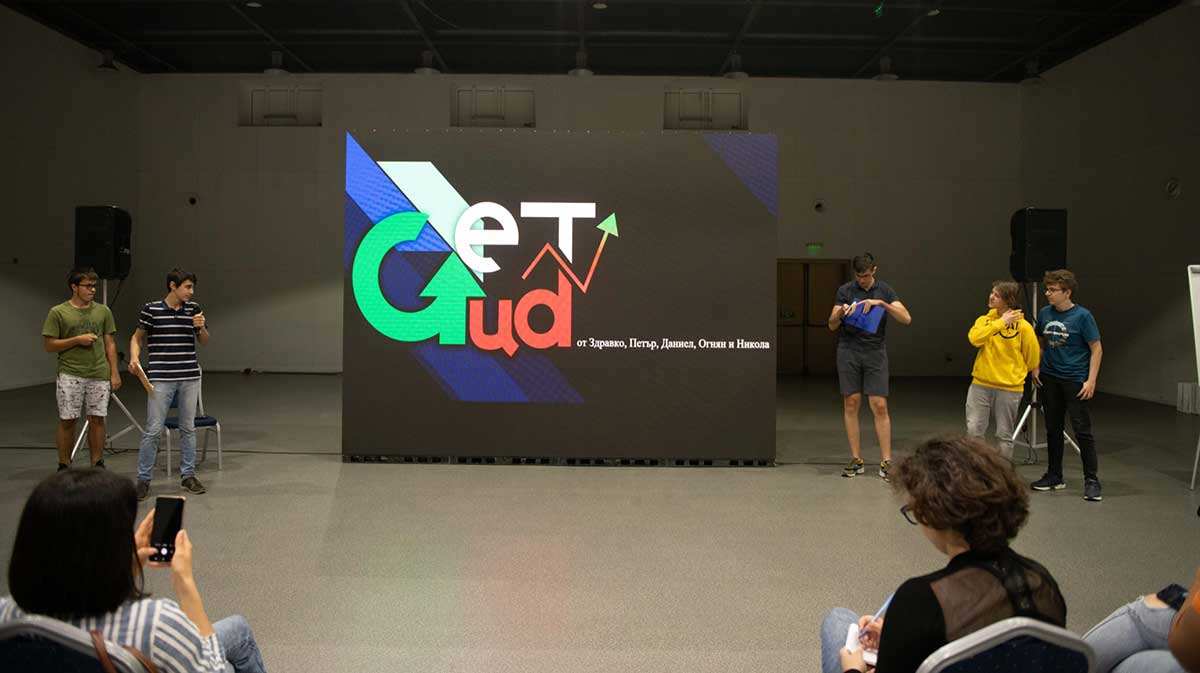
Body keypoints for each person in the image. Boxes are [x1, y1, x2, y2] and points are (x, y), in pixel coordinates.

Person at [819, 436, 1066, 673]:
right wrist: (897, 637)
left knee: (838, 621)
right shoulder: (1043, 583)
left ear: (934, 515)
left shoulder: (920, 599)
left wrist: (854, 668)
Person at [0, 469, 266, 673]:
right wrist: (185, 583)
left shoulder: (6, 615)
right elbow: (211, 668)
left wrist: (124, 568)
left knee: (236, 628)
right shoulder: (156, 624)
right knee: (238, 634)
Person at [827, 252, 912, 481]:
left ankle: (886, 461)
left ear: (874, 271)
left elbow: (906, 318)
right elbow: (831, 325)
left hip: (875, 352)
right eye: (858, 276)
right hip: (848, 350)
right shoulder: (845, 291)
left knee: (879, 405)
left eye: (865, 276)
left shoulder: (885, 290)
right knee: (851, 402)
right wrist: (840, 313)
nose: (862, 280)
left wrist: (882, 304)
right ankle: (856, 459)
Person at [131, 268, 211, 500]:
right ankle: (143, 479)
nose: (191, 292)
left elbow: (204, 341)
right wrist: (135, 357)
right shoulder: (151, 309)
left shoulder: (193, 309)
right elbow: (137, 337)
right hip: (161, 378)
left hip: (189, 377)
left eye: (192, 287)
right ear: (172, 286)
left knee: (188, 428)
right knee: (153, 429)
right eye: (187, 287)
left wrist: (201, 327)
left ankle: (188, 475)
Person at [1030, 269, 1104, 501]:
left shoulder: (1083, 316)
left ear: (1067, 292)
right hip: (1049, 378)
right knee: (1053, 429)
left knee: (1082, 431)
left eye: (1053, 290)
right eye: (1047, 289)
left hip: (1074, 380)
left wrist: (1091, 380)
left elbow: (1096, 348)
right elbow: (1039, 340)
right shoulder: (1045, 313)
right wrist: (1036, 366)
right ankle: (1054, 476)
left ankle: (1091, 480)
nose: (1048, 293)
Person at [41, 267, 121, 471]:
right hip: (70, 373)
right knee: (68, 420)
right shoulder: (58, 312)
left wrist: (114, 372)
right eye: (87, 286)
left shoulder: (103, 311)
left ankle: (97, 463)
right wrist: (77, 340)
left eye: (94, 286)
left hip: (99, 373)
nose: (92, 289)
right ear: (74, 287)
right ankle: (64, 464)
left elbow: (110, 343)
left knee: (97, 419)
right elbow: (49, 345)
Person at [965, 281, 1039, 460]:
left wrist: (1015, 372)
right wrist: (1000, 323)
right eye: (992, 293)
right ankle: (976, 469)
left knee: (1004, 435)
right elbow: (975, 339)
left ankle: (1003, 471)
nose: (991, 297)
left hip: (1009, 388)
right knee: (974, 430)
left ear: (1008, 300)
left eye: (996, 295)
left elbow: (1032, 357)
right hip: (981, 384)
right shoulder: (984, 320)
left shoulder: (1023, 327)